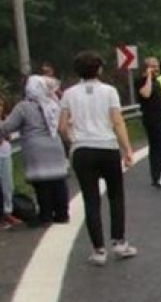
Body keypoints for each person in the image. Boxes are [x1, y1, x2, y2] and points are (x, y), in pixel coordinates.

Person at [58, 50, 137, 265]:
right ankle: (119, 243)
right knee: (115, 196)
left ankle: (98, 250)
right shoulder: (109, 91)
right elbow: (118, 121)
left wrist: (73, 140)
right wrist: (127, 149)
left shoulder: (69, 94)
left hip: (83, 150)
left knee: (91, 199)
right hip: (107, 147)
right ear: (99, 69)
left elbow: (62, 127)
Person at [0, 74, 70, 225]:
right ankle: (62, 214)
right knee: (58, 181)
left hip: (36, 148)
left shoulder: (24, 107)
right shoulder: (53, 104)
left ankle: (45, 215)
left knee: (42, 183)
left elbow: (8, 127)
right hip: (55, 145)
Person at [136, 56, 161, 189]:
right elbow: (146, 94)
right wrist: (147, 77)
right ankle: (156, 176)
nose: (156, 68)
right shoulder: (142, 81)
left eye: (157, 65)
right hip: (152, 118)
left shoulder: (157, 81)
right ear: (146, 67)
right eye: (153, 66)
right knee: (156, 147)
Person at [0, 95, 16, 230]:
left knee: (8, 185)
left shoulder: (4, 120)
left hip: (5, 153)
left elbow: (9, 136)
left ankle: (8, 211)